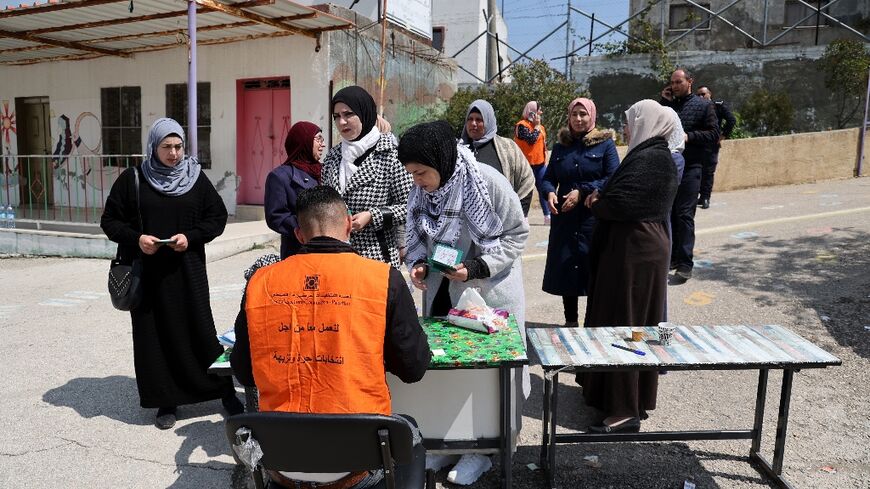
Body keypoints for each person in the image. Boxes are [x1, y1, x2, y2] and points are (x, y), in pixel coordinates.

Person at [230, 185, 431, 489]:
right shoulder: (382, 279)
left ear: (299, 235)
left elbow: (244, 371)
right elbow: (414, 368)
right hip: (360, 463)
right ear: (349, 224)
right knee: (409, 429)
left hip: (283, 462)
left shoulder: (261, 283)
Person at [400, 121, 529, 485]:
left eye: (422, 172)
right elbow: (418, 237)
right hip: (444, 291)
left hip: (488, 294)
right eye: (411, 173)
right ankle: (451, 441)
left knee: (488, 377)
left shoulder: (486, 182)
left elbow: (517, 233)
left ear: (441, 161)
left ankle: (485, 451)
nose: (418, 181)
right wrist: (419, 264)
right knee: (451, 372)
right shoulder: (422, 191)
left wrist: (477, 266)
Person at [100, 117, 243, 430]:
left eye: (178, 146)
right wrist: (137, 238)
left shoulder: (195, 178)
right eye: (167, 146)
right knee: (155, 338)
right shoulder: (133, 179)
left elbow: (216, 217)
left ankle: (224, 393)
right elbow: (110, 221)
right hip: (148, 277)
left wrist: (190, 237)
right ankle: (166, 400)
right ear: (154, 146)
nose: (174, 153)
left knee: (201, 332)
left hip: (188, 272)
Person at [578, 99, 679, 433]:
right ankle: (614, 396)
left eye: (630, 121)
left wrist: (598, 201)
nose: (625, 128)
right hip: (630, 250)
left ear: (646, 122)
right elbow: (617, 196)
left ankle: (625, 411)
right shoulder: (647, 155)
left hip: (637, 253)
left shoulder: (654, 158)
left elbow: (620, 201)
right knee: (616, 319)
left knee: (628, 325)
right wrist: (602, 199)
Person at [540, 98, 619, 328]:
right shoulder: (561, 146)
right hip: (564, 218)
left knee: (592, 268)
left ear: (592, 116)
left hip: (591, 219)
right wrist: (549, 193)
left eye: (583, 114)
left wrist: (582, 191)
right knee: (567, 270)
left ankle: (593, 322)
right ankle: (571, 321)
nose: (578, 119)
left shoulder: (605, 144)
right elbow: (548, 177)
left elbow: (613, 176)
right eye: (574, 114)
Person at [321, 85, 412, 268]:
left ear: (364, 113)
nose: (342, 122)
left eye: (348, 114)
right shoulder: (333, 156)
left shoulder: (391, 154)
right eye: (337, 116)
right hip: (338, 256)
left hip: (377, 257)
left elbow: (410, 206)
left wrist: (372, 216)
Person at [659, 68, 719, 283]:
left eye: (679, 82)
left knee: (684, 214)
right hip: (669, 166)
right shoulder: (668, 106)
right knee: (670, 213)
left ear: (689, 82)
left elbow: (714, 134)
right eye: (672, 83)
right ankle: (672, 257)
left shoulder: (704, 106)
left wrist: (689, 136)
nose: (675, 86)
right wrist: (664, 102)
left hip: (692, 166)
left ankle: (685, 263)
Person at [461, 99, 535, 216]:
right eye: (470, 119)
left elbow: (526, 180)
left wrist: (518, 215)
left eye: (479, 120)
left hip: (501, 222)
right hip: (467, 226)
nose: (473, 123)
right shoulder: (458, 151)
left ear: (488, 121)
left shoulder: (507, 148)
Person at [264, 121, 325, 259]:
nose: (323, 144)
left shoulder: (326, 171)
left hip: (330, 249)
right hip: (299, 250)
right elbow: (276, 216)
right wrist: (309, 228)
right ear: (303, 141)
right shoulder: (280, 176)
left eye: (323, 139)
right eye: (318, 139)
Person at [695, 85, 736, 209]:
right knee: (697, 171)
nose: (701, 96)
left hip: (711, 145)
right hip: (698, 143)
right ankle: (700, 197)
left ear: (710, 94)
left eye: (703, 94)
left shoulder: (717, 105)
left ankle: (706, 198)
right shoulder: (696, 107)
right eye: (699, 95)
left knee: (708, 172)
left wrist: (723, 136)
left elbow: (731, 120)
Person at [513, 100, 550, 223]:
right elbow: (531, 140)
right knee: (525, 192)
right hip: (526, 165)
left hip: (539, 164)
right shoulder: (521, 125)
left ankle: (547, 216)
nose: (541, 112)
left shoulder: (541, 128)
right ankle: (523, 217)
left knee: (544, 189)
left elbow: (543, 145)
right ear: (532, 112)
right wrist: (537, 127)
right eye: (539, 110)